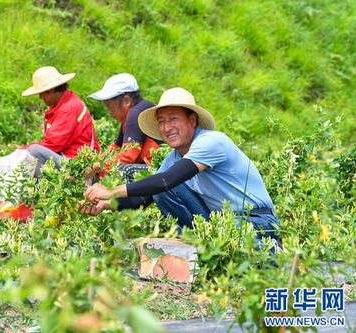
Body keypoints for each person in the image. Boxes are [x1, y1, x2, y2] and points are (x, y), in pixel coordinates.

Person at [82, 87, 281, 245]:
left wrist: (112, 191)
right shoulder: (174, 157)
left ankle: (266, 250)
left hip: (255, 222)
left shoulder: (212, 141)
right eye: (161, 121)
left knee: (166, 185)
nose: (167, 127)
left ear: (192, 120)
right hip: (218, 225)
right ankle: (201, 247)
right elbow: (143, 199)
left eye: (173, 119)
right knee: (162, 192)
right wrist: (106, 204)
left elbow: (166, 180)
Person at [0, 66, 100, 221]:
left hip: (81, 170)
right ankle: (30, 207)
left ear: (50, 91)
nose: (40, 98)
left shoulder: (69, 108)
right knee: (32, 156)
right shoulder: (65, 104)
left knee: (34, 153)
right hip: (71, 163)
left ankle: (27, 206)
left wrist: (24, 149)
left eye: (41, 94)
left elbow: (53, 145)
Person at [88, 73, 160, 182]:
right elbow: (116, 147)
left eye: (110, 106)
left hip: (160, 168)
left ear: (127, 101)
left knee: (123, 170)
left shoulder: (136, 114)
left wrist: (98, 166)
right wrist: (96, 162)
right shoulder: (132, 113)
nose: (109, 112)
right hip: (149, 165)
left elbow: (128, 156)